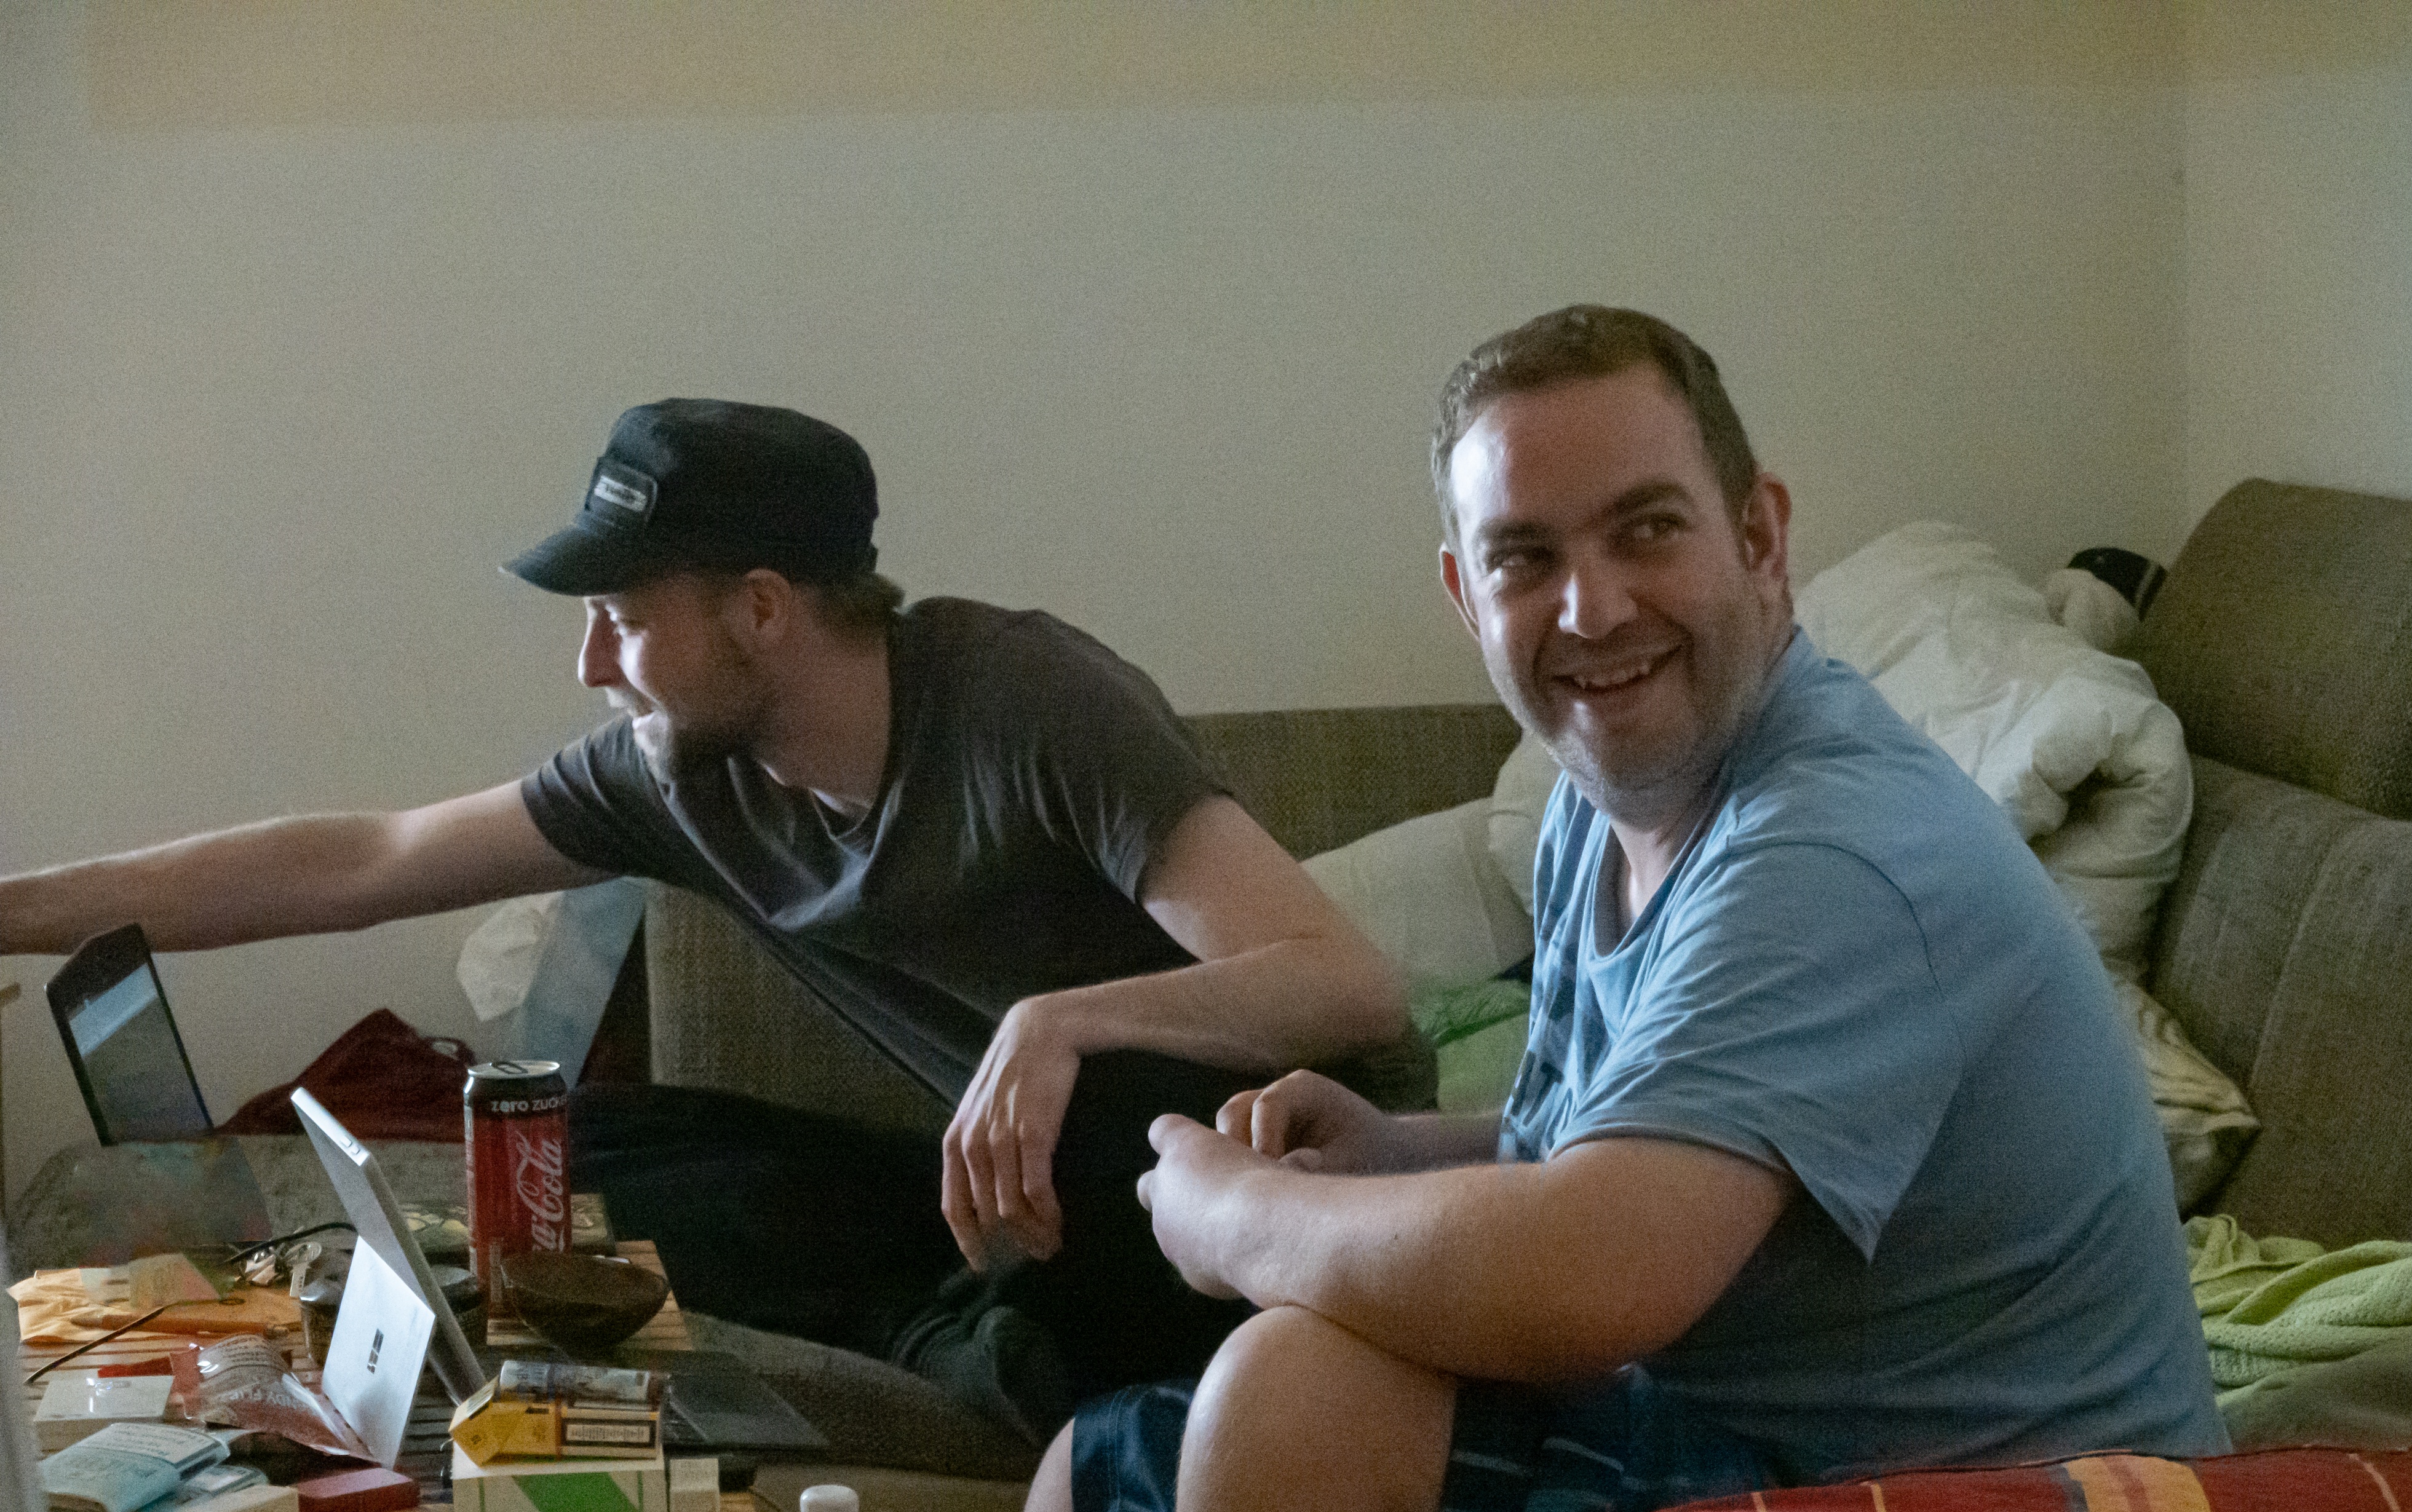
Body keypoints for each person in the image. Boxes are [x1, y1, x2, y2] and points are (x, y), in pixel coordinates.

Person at [1018, 307, 2228, 1512]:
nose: (1590, 608)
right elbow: (1613, 1143)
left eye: (1646, 529)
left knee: (1296, 1403)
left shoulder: (1829, 852)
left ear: (1758, 538)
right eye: (1525, 558)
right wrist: (1394, 1151)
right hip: (1771, 1455)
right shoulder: (1597, 812)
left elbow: (1590, 1274)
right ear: (1465, 596)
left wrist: (1237, 1216)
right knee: (1094, 1481)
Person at [0, 398, 1411, 1433]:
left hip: (1240, 1184)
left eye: (621, 615)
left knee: (1112, 1118)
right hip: (1007, 1197)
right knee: (590, 1144)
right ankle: (972, 1328)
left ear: (760, 609)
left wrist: (1060, 1023)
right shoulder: (680, 773)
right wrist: (12, 912)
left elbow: (1345, 984)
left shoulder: (1023, 700)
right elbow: (364, 859)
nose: (590, 662)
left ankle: (1001, 1337)